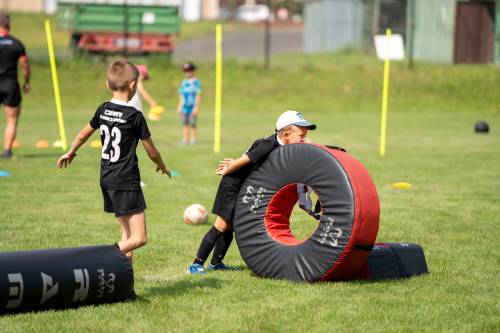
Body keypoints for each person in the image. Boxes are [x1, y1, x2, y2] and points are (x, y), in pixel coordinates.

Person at [57, 58, 171, 296]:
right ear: (132, 85)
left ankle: (124, 288)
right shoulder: (134, 115)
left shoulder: (103, 109)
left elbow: (82, 133)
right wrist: (162, 165)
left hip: (107, 179)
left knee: (127, 235)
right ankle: (103, 257)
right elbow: (151, 151)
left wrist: (70, 152)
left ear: (108, 83)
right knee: (139, 238)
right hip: (126, 180)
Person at [187, 111, 316, 274]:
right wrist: (228, 169)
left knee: (231, 227)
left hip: (243, 187)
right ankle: (196, 265)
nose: (304, 139)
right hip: (232, 186)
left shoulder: (283, 145)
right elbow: (244, 160)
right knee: (222, 224)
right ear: (286, 135)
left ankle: (216, 263)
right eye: (302, 135)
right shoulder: (267, 145)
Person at [0, 12, 30, 158]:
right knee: (11, 120)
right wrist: (27, 82)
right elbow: (24, 65)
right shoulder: (16, 44)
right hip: (10, 85)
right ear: (9, 26)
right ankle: (6, 151)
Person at [176, 62, 201, 145]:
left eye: (189, 70)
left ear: (193, 71)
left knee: (192, 124)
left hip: (192, 107)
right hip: (184, 107)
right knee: (185, 123)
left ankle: (193, 139)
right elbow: (181, 94)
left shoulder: (196, 82)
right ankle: (185, 139)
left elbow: (198, 95)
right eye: (185, 70)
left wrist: (196, 107)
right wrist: (179, 106)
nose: (187, 72)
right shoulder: (183, 82)